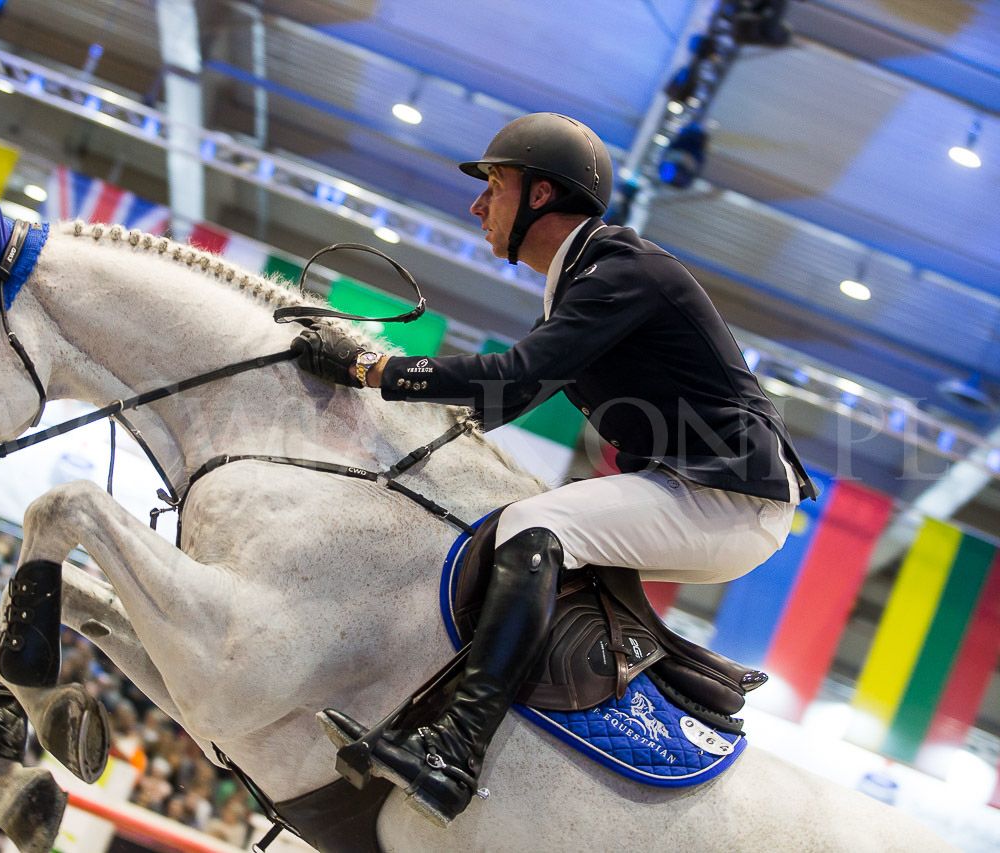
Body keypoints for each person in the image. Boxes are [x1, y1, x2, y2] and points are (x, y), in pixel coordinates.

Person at [292, 112, 816, 825]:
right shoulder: (587, 276)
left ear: (541, 195)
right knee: (513, 518)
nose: (477, 205)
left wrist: (369, 367)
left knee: (537, 525)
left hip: (729, 499)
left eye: (494, 187)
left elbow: (511, 374)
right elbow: (505, 400)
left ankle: (456, 751)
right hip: (698, 489)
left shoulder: (622, 271)